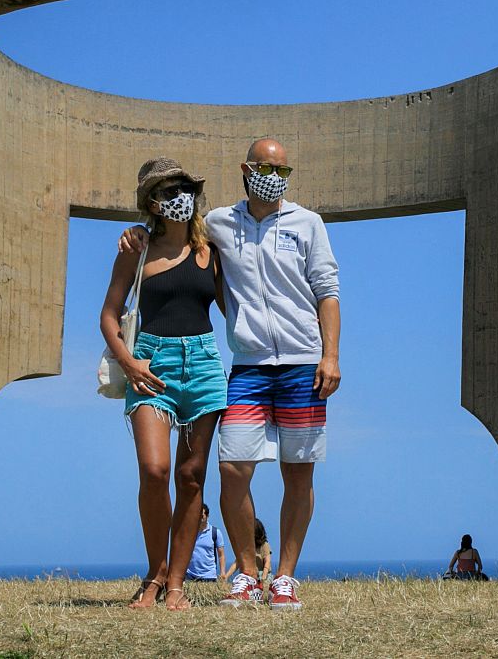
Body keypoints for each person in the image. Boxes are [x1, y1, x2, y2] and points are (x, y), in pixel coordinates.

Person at [121, 138, 341, 611]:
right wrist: (135, 233)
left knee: (297, 473)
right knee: (232, 469)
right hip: (248, 366)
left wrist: (331, 356)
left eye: (282, 170)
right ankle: (246, 573)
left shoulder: (309, 223)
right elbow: (167, 234)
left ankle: (283, 577)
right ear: (246, 168)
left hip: (304, 362)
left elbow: (327, 289)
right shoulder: (220, 223)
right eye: (265, 167)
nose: (274, 176)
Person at [101, 158, 227, 612]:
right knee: (154, 472)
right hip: (151, 364)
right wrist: (129, 362)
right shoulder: (136, 247)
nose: (179, 195)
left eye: (184, 186)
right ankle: (153, 575)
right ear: (152, 202)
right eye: (168, 189)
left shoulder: (212, 250)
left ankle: (176, 583)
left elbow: (237, 309)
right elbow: (110, 314)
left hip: (206, 364)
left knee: (191, 477)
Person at [187, 504, 231, 584]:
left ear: (207, 516)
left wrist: (222, 573)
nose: (199, 518)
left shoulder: (215, 533)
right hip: (190, 575)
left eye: (202, 515)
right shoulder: (189, 532)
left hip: (209, 576)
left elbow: (221, 555)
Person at [253, 518, 273, 583]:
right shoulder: (247, 547)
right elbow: (238, 562)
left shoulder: (264, 545)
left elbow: (267, 561)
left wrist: (263, 577)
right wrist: (226, 575)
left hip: (264, 574)